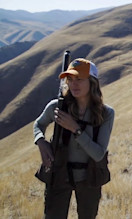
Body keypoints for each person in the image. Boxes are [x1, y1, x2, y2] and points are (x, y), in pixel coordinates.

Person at [33, 58, 115, 218]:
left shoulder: (106, 113)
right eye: (70, 79)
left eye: (79, 79)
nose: (73, 84)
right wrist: (40, 141)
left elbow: (98, 154)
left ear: (92, 82)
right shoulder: (57, 107)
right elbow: (38, 124)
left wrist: (75, 129)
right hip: (59, 173)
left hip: (90, 176)